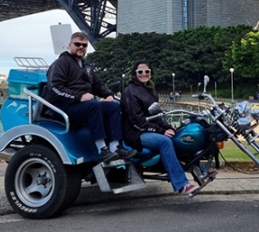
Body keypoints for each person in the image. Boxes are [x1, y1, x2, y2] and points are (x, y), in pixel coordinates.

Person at [45, 31, 136, 163]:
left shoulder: (86, 65)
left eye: (84, 45)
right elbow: (54, 88)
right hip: (64, 106)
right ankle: (102, 150)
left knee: (113, 107)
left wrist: (108, 94)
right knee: (93, 105)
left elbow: (98, 84)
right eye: (77, 44)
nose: (81, 47)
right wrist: (78, 97)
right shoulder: (60, 63)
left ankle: (115, 148)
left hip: (83, 106)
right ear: (69, 45)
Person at [120, 59, 198, 195]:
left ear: (150, 73)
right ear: (135, 73)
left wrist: (169, 128)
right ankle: (181, 184)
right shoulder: (130, 92)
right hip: (135, 133)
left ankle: (201, 171)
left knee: (178, 136)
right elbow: (136, 121)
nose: (144, 74)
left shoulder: (151, 91)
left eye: (147, 71)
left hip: (146, 130)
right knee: (165, 141)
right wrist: (161, 131)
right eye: (140, 72)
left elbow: (157, 116)